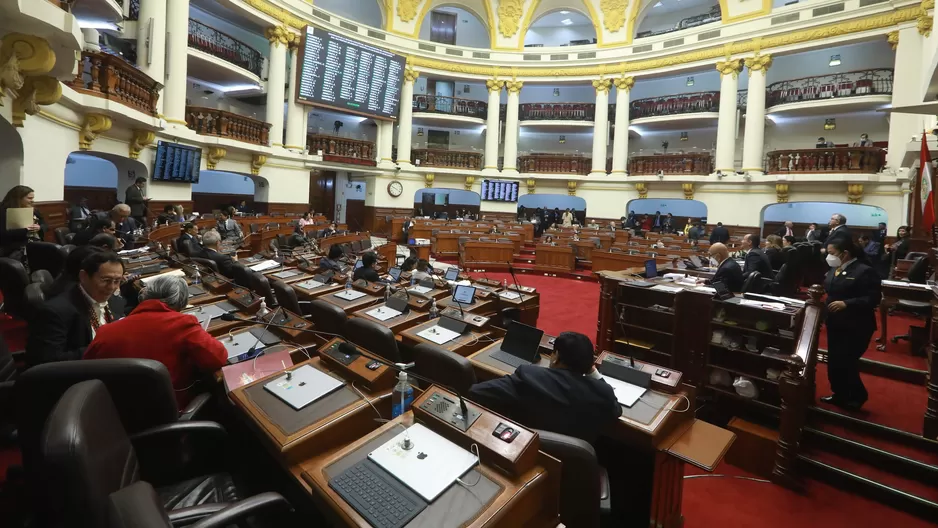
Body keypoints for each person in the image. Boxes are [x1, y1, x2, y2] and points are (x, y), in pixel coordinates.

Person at [84, 274, 228, 408]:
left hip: (111, 411)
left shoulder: (105, 331)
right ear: (181, 303)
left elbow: (87, 372)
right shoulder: (182, 323)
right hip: (165, 408)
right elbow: (217, 358)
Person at [468, 331, 621, 445]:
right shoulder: (602, 393)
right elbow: (616, 411)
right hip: (575, 467)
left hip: (525, 454)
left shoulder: (528, 376)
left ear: (556, 356)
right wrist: (593, 373)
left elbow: (476, 392)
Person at [26, 251, 125, 366]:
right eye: (105, 280)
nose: (112, 287)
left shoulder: (114, 300)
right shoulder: (55, 312)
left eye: (117, 281)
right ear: (83, 276)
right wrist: (101, 348)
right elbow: (47, 361)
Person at [821, 238, 881, 410]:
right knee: (834, 362)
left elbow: (873, 298)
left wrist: (847, 303)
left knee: (846, 361)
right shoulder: (835, 269)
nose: (829, 257)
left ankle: (857, 396)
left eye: (832, 253)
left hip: (856, 325)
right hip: (835, 323)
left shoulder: (864, 271)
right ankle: (839, 394)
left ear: (845, 253)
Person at [0, 185, 46, 259]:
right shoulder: (3, 212)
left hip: (34, 244)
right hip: (12, 248)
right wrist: (26, 230)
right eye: (29, 198)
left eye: (33, 198)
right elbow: (3, 234)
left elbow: (44, 224)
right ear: (18, 198)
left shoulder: (34, 210)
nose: (32, 200)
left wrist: (39, 227)